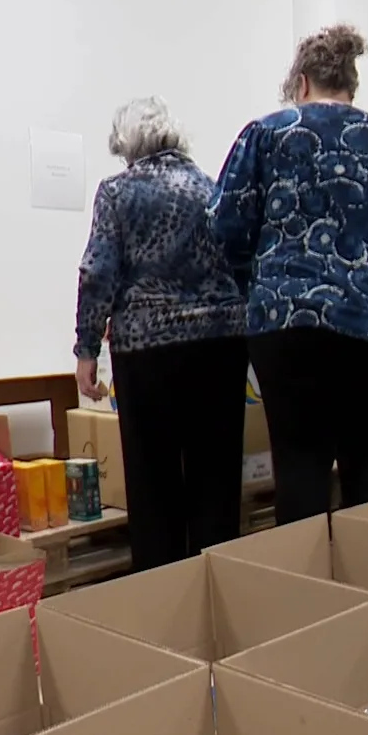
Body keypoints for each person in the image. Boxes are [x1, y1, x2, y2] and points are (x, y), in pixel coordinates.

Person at [209, 24, 368, 524]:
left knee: (299, 469)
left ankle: (305, 596)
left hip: (290, 324)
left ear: (301, 85)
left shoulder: (265, 135)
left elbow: (225, 224)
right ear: (353, 91)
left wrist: (259, 286)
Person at [73, 97, 249, 572]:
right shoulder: (211, 189)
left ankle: (161, 595)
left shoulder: (117, 192)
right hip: (220, 345)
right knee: (215, 476)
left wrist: (86, 347)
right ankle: (220, 586)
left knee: (153, 483)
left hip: (148, 351)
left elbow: (98, 272)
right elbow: (239, 261)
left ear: (128, 146)